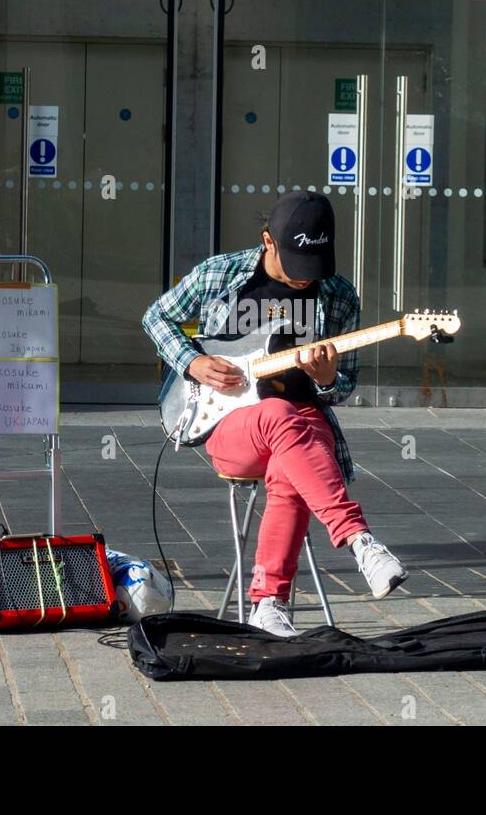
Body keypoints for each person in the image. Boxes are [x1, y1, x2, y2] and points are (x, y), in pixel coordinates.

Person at [142, 190, 408, 636]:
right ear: (268, 241)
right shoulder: (220, 274)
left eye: (315, 269)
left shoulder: (339, 295)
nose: (306, 279)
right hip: (230, 426)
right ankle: (361, 542)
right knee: (280, 415)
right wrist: (192, 362)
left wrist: (326, 379)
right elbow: (156, 317)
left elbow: (341, 390)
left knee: (290, 465)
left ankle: (269, 606)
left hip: (304, 433)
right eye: (296, 266)